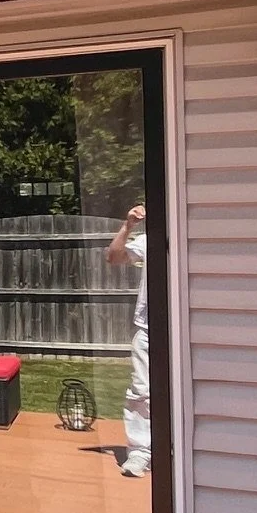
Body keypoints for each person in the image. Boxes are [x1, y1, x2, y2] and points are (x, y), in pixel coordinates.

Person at [105, 204, 151, 478]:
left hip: (187, 330)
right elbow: (114, 256)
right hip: (149, 329)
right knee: (141, 391)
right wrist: (128, 226)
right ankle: (140, 453)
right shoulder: (149, 240)